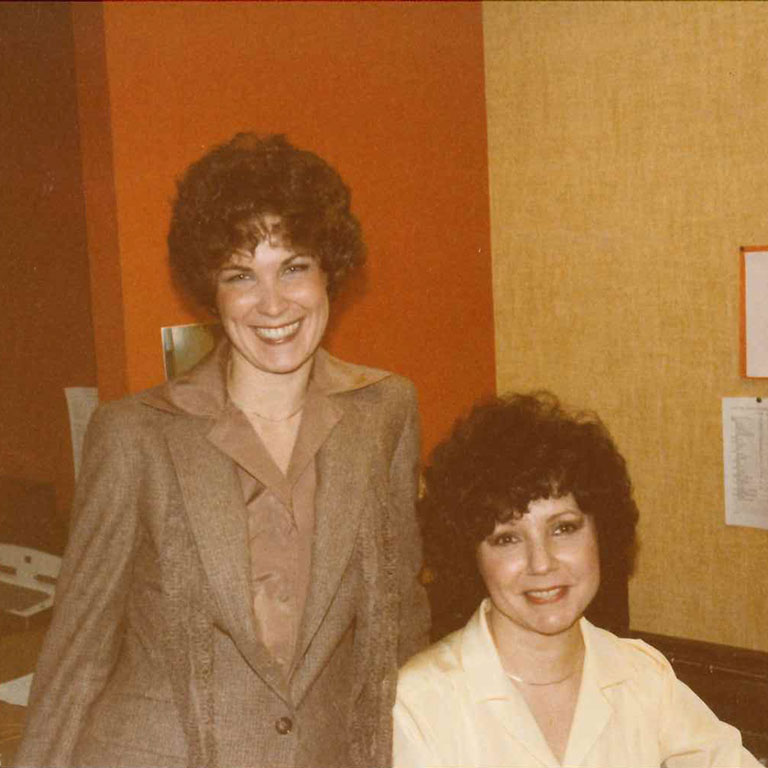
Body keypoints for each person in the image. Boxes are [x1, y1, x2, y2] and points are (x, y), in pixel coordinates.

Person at [17, 133, 429, 768]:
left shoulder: (386, 412)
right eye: (241, 275)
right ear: (211, 293)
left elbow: (397, 624)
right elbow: (78, 650)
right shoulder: (134, 434)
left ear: (329, 273)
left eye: (293, 266)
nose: (272, 304)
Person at [394, 392, 760, 767]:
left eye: (563, 528)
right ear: (470, 554)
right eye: (507, 538)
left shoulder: (641, 675)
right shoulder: (421, 702)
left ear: (600, 534)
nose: (541, 563)